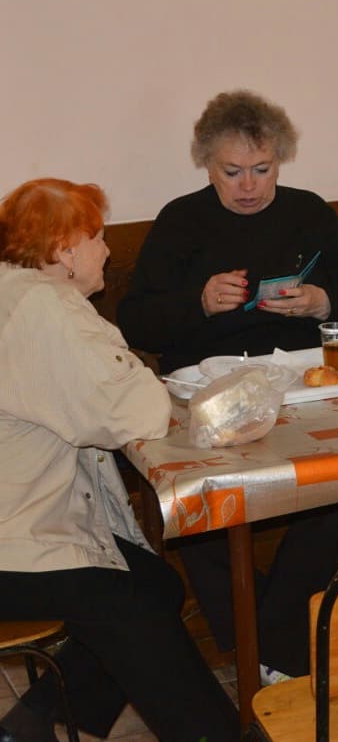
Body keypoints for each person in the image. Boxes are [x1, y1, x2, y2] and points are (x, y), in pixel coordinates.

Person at [117, 89, 338, 683]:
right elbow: (135, 321)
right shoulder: (181, 220)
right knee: (194, 509)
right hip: (202, 393)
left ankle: (268, 648)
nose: (248, 186)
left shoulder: (308, 211)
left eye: (262, 170)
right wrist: (198, 302)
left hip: (300, 386)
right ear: (206, 164)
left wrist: (323, 301)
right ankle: (277, 648)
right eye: (231, 171)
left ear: (280, 160)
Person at [0, 178, 240, 742]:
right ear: (65, 250)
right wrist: (138, 373)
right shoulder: (45, 307)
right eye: (98, 237)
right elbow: (133, 413)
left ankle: (34, 721)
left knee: (154, 584)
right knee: (130, 607)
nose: (106, 251)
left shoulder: (15, 293)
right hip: (14, 544)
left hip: (20, 524)